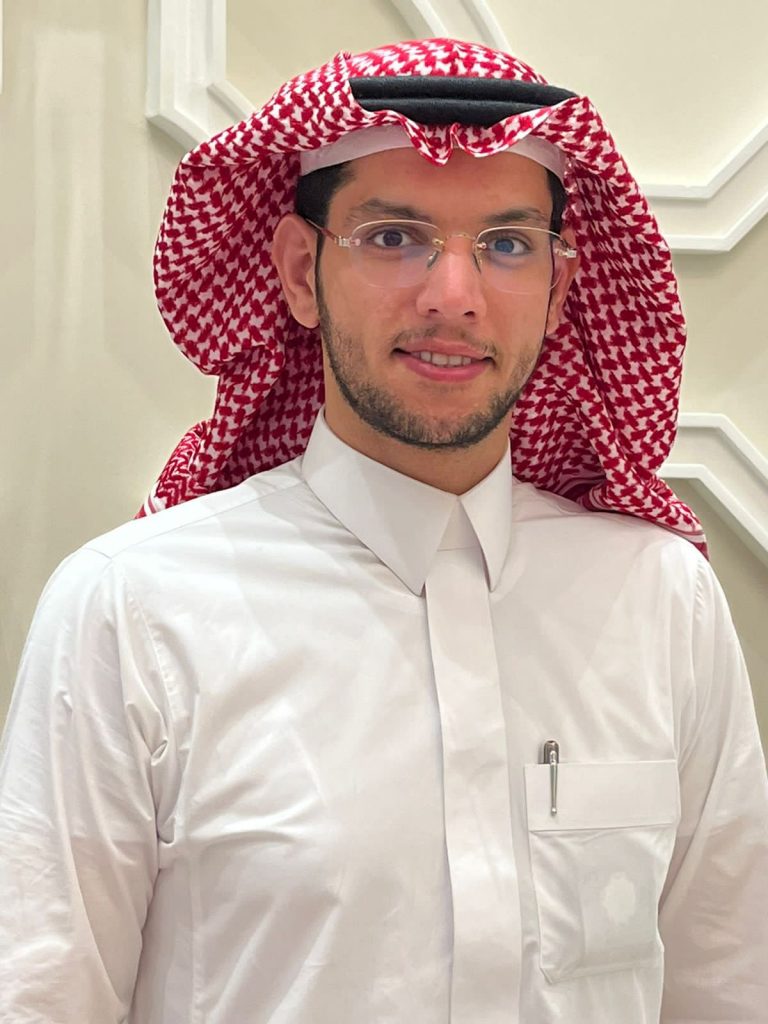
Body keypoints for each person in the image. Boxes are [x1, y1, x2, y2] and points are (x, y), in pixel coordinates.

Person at [0, 36, 766, 1024]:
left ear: (559, 289)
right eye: (395, 236)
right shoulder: (130, 614)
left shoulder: (661, 601)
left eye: (507, 244)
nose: (454, 295)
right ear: (298, 271)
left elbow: (725, 987)